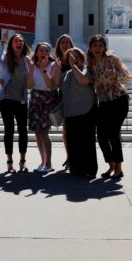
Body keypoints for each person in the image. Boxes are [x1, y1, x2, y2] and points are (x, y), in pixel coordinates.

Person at [86, 34, 131, 179]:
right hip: (104, 102)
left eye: (100, 45)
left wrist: (115, 76)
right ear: (90, 48)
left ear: (105, 47)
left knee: (113, 134)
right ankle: (111, 165)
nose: (97, 48)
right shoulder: (91, 63)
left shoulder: (112, 59)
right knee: (101, 136)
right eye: (95, 46)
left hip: (119, 99)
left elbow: (127, 76)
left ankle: (119, 168)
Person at [60, 48, 98, 178]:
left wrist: (73, 66)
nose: (74, 59)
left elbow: (83, 80)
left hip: (86, 111)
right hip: (70, 113)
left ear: (82, 58)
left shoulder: (87, 70)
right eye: (70, 56)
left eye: (76, 56)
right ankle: (76, 169)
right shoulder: (66, 74)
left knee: (87, 142)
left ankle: (90, 169)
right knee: (73, 143)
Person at [0, 30, 31, 173]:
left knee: (23, 131)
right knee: (9, 131)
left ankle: (22, 161)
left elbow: (30, 80)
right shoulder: (5, 59)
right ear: (11, 44)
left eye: (21, 41)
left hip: (21, 100)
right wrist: (2, 42)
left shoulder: (27, 60)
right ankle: (10, 163)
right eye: (16, 40)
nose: (19, 42)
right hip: (6, 99)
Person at [27, 42, 59, 173]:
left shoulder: (54, 65)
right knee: (37, 132)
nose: (43, 52)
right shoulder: (32, 66)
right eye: (41, 50)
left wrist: (44, 69)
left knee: (44, 132)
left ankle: (49, 163)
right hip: (35, 98)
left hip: (47, 99)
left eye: (46, 50)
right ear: (36, 52)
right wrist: (30, 70)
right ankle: (43, 161)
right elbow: (29, 85)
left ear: (49, 53)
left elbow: (51, 85)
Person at [54, 34, 75, 169]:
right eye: (62, 42)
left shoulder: (76, 60)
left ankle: (76, 157)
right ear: (59, 45)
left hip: (76, 99)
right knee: (66, 130)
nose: (65, 44)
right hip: (63, 99)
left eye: (67, 42)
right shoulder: (56, 62)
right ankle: (69, 157)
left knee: (76, 130)